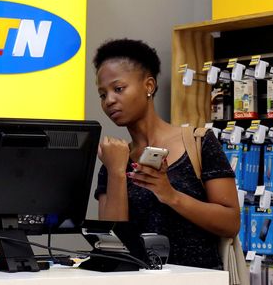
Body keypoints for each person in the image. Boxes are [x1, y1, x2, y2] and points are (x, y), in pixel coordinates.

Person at [93, 39, 240, 269]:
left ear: (148, 86)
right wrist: (116, 173)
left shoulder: (198, 142)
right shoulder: (114, 160)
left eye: (118, 89)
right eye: (103, 94)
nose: (109, 100)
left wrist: (170, 195)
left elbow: (231, 223)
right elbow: (114, 244)